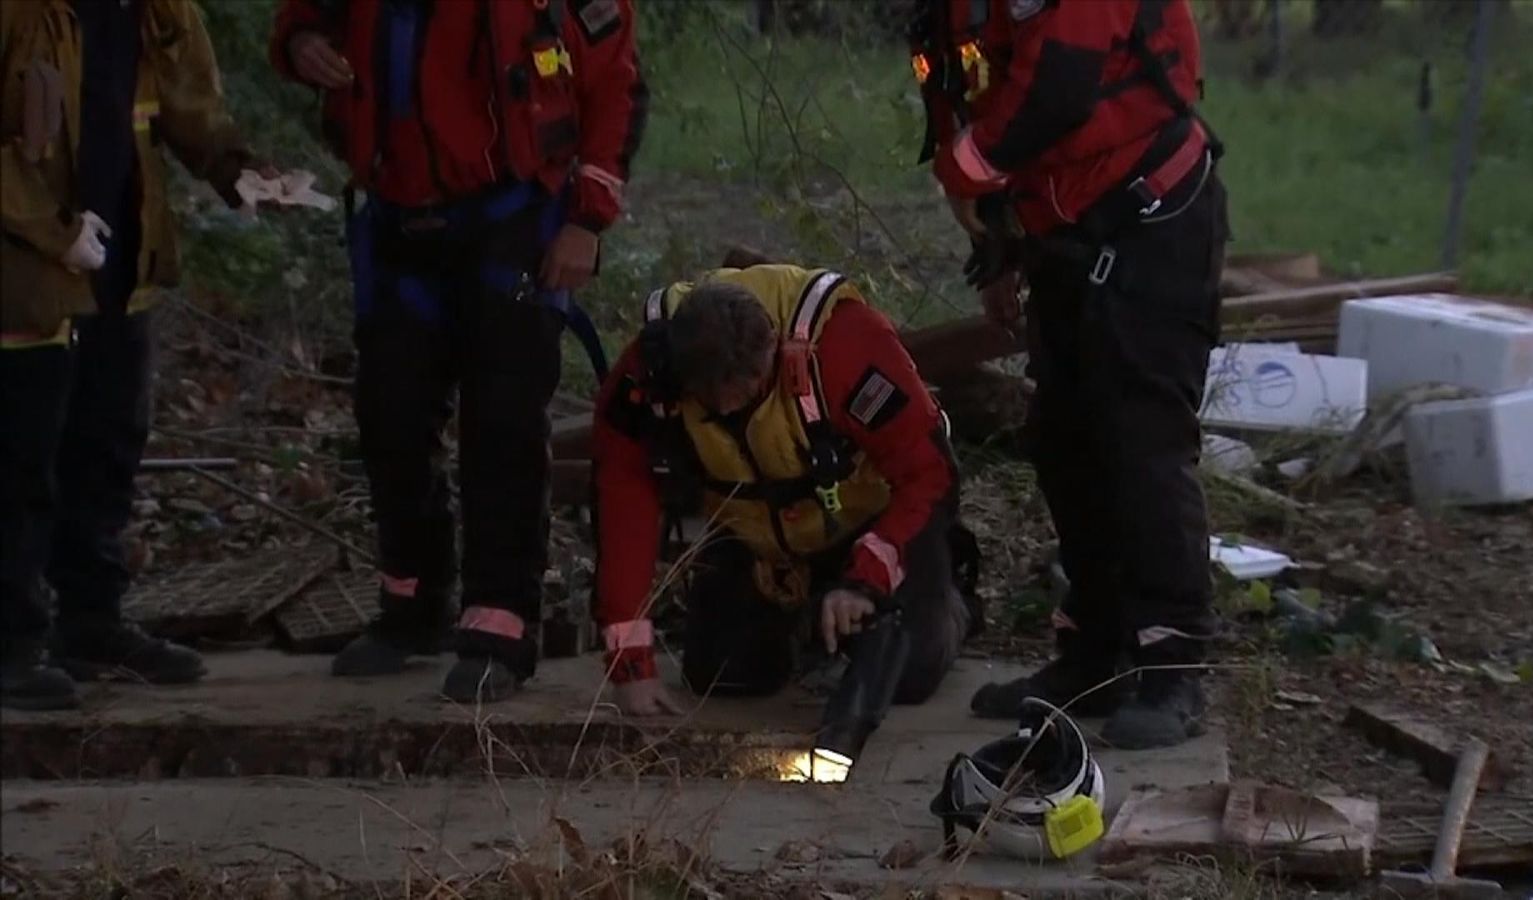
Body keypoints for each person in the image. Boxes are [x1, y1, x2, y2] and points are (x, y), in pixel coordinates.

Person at [269, 0, 648, 702]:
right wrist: (302, 44)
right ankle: (412, 604)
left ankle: (501, 624)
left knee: (502, 425)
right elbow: (304, 19)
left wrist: (588, 223)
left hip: (513, 219)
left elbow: (616, 86)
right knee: (391, 415)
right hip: (399, 220)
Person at [910, 0, 1230, 748]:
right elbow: (971, 95)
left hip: (1151, 220)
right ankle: (1093, 654)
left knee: (1142, 445)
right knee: (1064, 443)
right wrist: (997, 247)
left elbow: (1057, 89)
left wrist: (963, 172)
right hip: (1064, 233)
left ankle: (1174, 666)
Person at [1, 0, 272, 710]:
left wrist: (235, 170)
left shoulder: (153, 8)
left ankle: (91, 623)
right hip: (25, 266)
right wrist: (53, 230)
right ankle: (12, 643)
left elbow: (188, 98)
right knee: (21, 451)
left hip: (119, 254)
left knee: (106, 441)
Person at [590, 260, 978, 720]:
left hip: (867, 528)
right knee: (724, 674)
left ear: (774, 346)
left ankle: (951, 605)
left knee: (904, 673)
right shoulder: (647, 373)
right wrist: (631, 666)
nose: (727, 408)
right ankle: (807, 623)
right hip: (755, 540)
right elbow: (622, 499)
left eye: (743, 391)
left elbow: (930, 474)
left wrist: (866, 580)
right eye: (709, 399)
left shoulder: (845, 345)